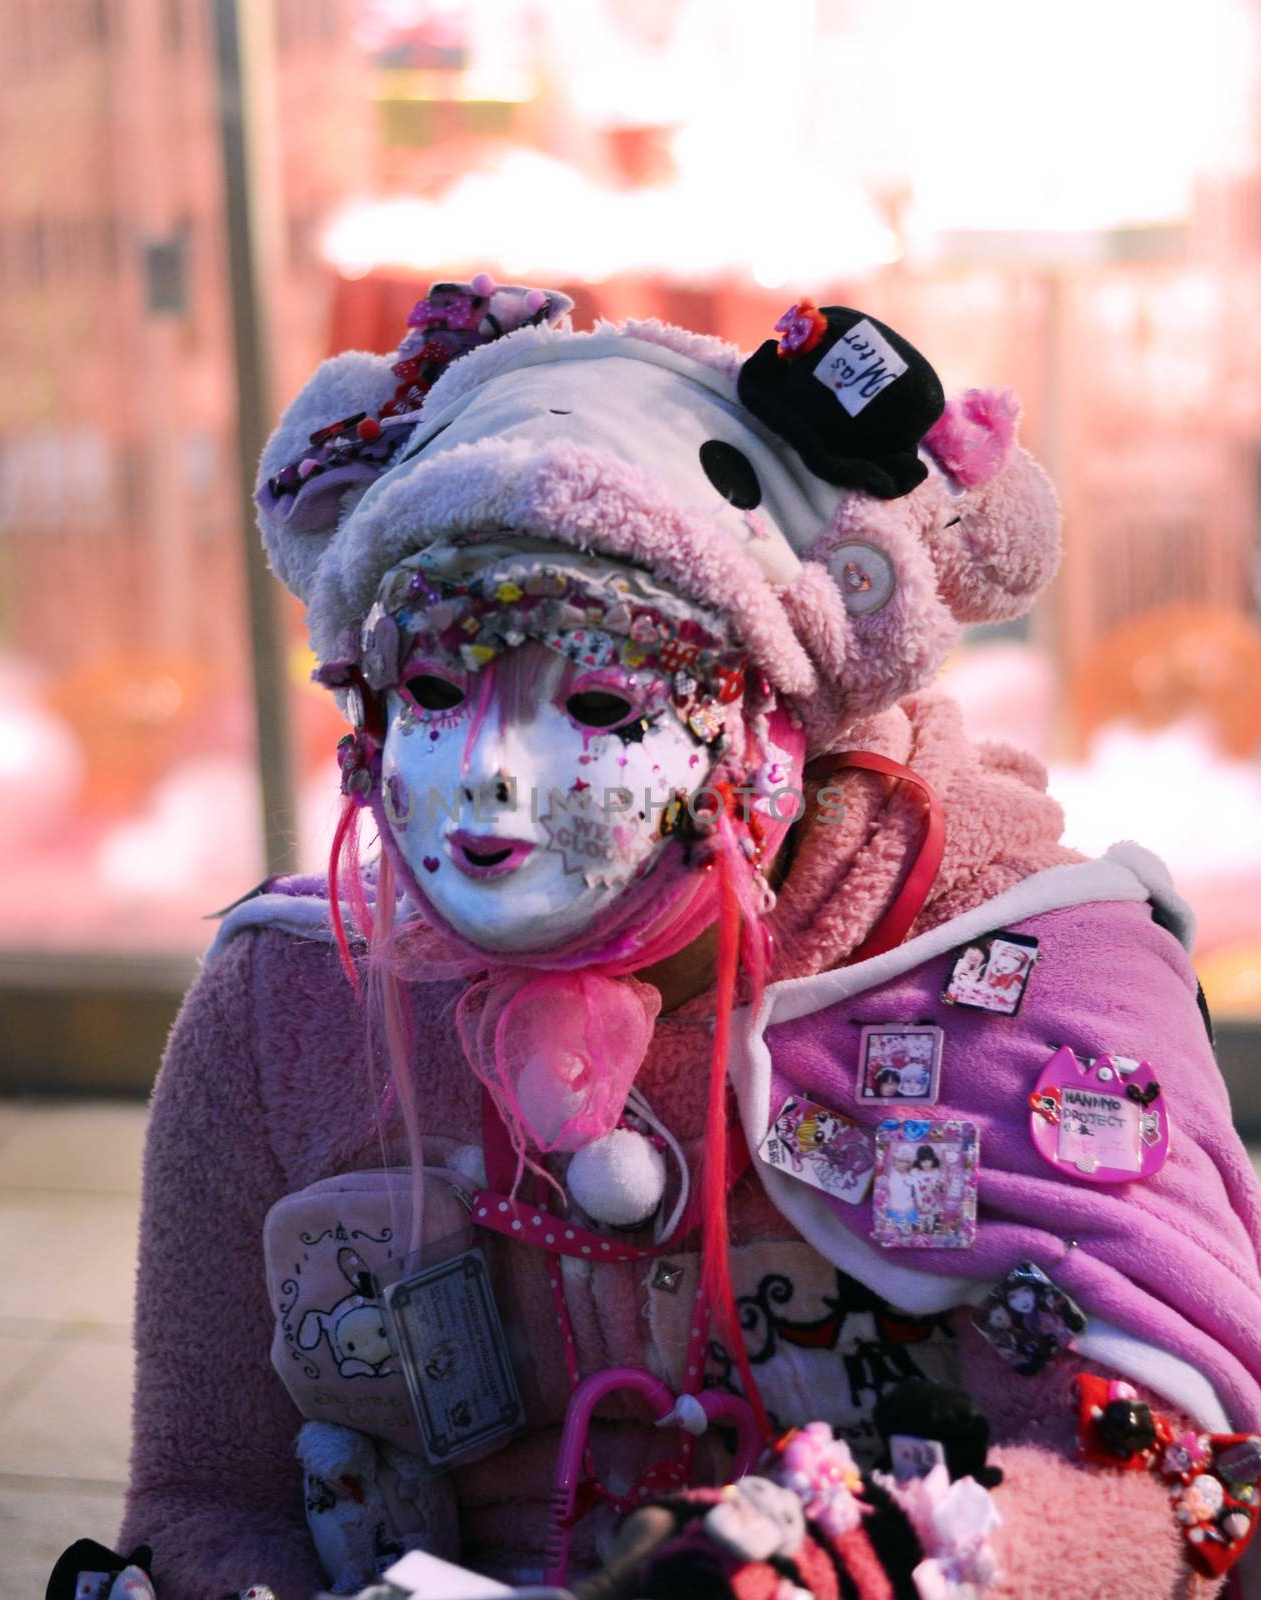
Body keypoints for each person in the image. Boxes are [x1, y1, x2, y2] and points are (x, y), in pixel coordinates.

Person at [89, 281, 1261, 1600]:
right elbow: (199, 1497)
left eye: (598, 698)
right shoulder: (286, 1001)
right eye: (430, 687)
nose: (490, 777)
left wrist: (870, 1568)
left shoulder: (1042, 986)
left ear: (779, 718)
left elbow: (1174, 1476)